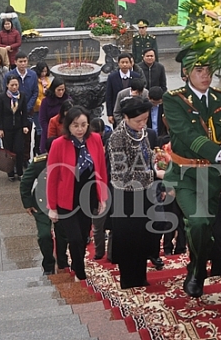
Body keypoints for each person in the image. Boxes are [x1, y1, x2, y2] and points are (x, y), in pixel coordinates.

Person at [162, 48, 221, 298]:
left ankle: (199, 262)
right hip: (185, 173)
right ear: (186, 73)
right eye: (199, 71)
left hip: (214, 176)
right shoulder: (173, 99)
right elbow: (188, 135)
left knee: (208, 227)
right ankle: (196, 270)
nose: (205, 75)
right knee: (197, 222)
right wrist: (220, 154)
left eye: (209, 70)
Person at [107, 96, 166, 289]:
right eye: (138, 121)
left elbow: (148, 158)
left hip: (144, 193)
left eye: (145, 120)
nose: (143, 124)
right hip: (126, 196)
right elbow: (122, 173)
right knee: (128, 240)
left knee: (142, 237)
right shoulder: (117, 137)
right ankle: (128, 281)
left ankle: (141, 277)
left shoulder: (144, 133)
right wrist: (154, 174)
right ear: (125, 117)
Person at [47, 106, 108, 281]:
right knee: (74, 238)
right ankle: (80, 274)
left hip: (88, 196)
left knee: (83, 236)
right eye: (75, 125)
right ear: (68, 126)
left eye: (83, 125)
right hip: (66, 198)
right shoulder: (59, 144)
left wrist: (102, 197)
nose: (80, 129)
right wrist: (52, 207)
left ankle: (77, 262)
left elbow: (101, 169)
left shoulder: (95, 139)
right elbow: (52, 176)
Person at [19, 152, 69, 275]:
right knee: (44, 235)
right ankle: (48, 264)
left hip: (61, 203)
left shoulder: (68, 160)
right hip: (42, 203)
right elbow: (25, 182)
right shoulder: (39, 163)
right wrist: (28, 203)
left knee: (63, 235)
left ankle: (62, 261)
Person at [5, 52, 38, 164]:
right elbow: (6, 93)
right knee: (14, 137)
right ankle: (14, 160)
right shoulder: (10, 75)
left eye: (25, 61)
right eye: (20, 61)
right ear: (15, 62)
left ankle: (25, 158)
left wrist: (27, 107)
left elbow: (35, 92)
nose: (23, 64)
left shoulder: (33, 75)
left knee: (27, 136)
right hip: (14, 111)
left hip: (28, 111)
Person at [0, 75, 30, 181]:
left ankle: (20, 172)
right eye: (12, 85)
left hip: (18, 127)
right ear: (7, 85)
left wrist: (25, 125)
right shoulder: (2, 97)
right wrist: (0, 128)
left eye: (16, 85)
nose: (14, 87)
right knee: (9, 151)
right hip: (7, 128)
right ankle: (10, 172)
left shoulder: (22, 96)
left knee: (19, 150)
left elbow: (24, 112)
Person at [89, 118, 109, 260]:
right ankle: (99, 251)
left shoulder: (112, 140)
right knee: (98, 225)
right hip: (94, 187)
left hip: (109, 186)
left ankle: (111, 252)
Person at [105, 52, 141, 125]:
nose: (124, 64)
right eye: (122, 62)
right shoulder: (112, 77)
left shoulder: (136, 76)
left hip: (133, 111)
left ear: (130, 63)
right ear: (118, 63)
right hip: (117, 111)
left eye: (127, 62)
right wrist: (110, 114)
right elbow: (109, 96)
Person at [39, 77, 70, 154]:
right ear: (54, 89)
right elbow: (42, 119)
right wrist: (50, 130)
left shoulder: (68, 100)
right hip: (49, 133)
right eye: (59, 90)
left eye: (63, 90)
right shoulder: (46, 101)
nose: (61, 92)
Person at [32, 62, 51, 156]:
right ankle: (38, 148)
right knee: (40, 129)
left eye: (45, 71)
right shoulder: (35, 81)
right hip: (37, 108)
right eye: (42, 71)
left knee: (42, 129)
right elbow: (35, 95)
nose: (44, 73)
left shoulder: (47, 80)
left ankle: (38, 147)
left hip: (46, 108)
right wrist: (42, 105)